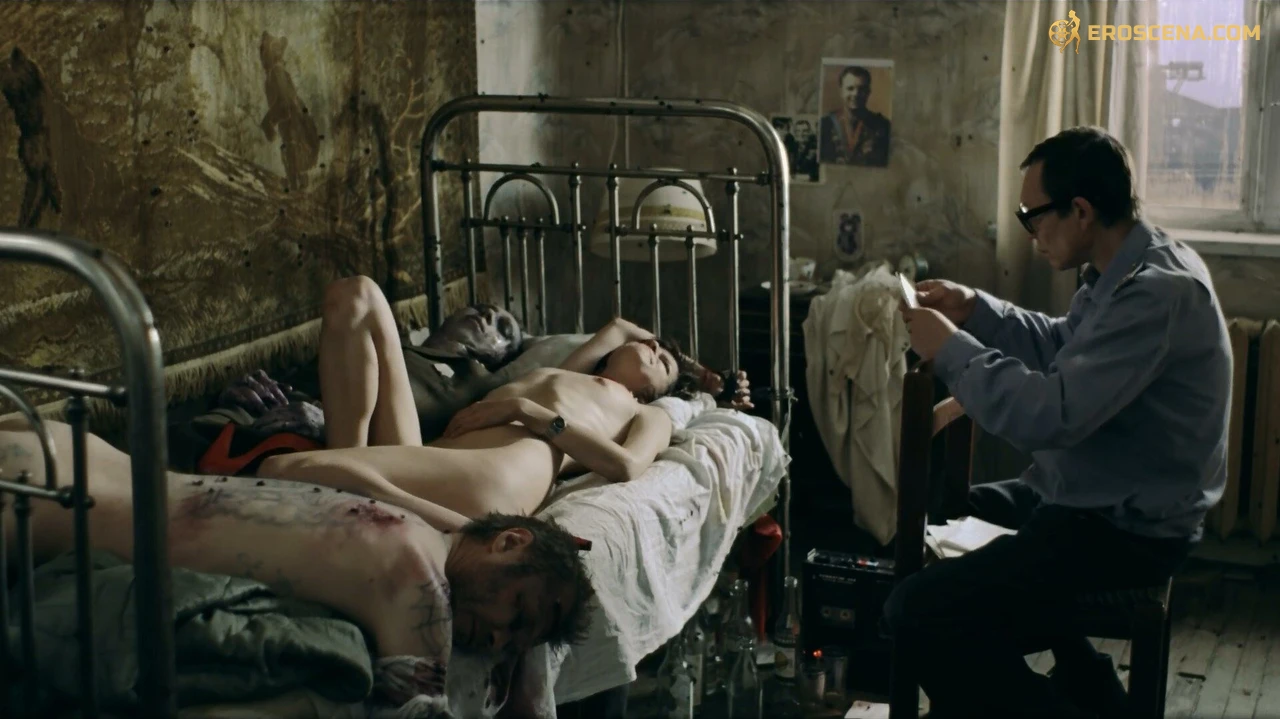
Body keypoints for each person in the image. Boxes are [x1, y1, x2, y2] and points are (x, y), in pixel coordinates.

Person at [886, 126, 1231, 718]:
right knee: (946, 514)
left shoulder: (1155, 293)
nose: (1030, 232)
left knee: (914, 612)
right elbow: (1064, 345)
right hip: (1096, 493)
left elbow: (1049, 415)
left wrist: (951, 349)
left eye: (1033, 216)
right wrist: (976, 308)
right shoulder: (1129, 264)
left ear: (1081, 211)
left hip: (1129, 531)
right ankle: (1087, 679)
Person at [1, 418, 593, 712]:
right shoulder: (423, 591)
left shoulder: (402, 527)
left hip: (62, 444)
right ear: (509, 541)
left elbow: (284, 468)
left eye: (515, 643)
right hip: (35, 504)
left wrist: (524, 642)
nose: (498, 640)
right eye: (517, 613)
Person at [258, 276, 752, 532]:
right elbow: (622, 326)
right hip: (436, 455)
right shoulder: (572, 372)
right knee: (356, 294)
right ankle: (347, 482)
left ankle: (352, 487)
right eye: (654, 345)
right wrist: (693, 363)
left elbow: (626, 466)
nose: (654, 349)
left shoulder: (646, 412)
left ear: (654, 391)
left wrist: (525, 412)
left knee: (280, 469)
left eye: (663, 362)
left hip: (501, 471)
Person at [819, 65, 890, 167]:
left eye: (861, 89)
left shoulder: (882, 126)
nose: (856, 94)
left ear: (868, 92)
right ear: (841, 91)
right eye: (850, 88)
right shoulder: (825, 124)